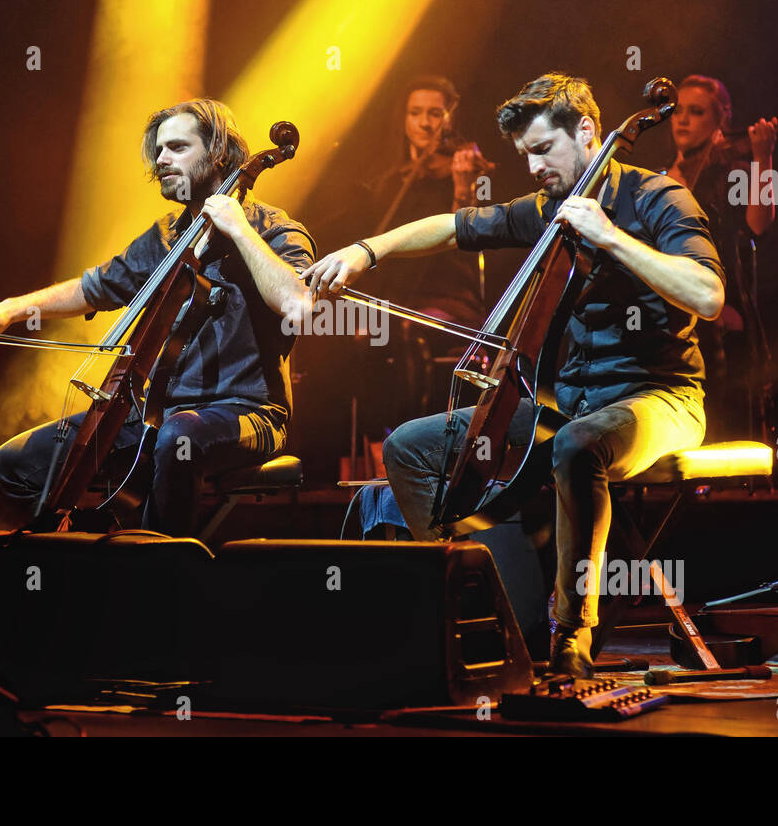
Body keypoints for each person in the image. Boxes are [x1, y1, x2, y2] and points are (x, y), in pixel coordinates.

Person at [304, 72, 725, 677]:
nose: (532, 167)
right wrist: (367, 250)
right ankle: (486, 606)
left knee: (579, 446)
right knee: (408, 447)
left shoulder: (658, 197)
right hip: (571, 402)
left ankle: (569, 634)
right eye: (524, 154)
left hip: (661, 400)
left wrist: (610, 236)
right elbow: (455, 227)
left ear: (587, 132)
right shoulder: (548, 209)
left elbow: (707, 295)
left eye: (543, 150)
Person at [0, 98, 314, 536]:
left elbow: (297, 304)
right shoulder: (167, 234)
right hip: (154, 412)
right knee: (15, 464)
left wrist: (238, 229)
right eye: (159, 149)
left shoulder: (273, 229)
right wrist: (7, 310)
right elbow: (94, 288)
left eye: (177, 148)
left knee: (179, 437)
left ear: (219, 153)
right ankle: (78, 558)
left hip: (248, 413)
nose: (160, 159)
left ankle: (160, 569)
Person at [356, 76, 494, 424]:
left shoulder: (466, 171)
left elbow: (469, 237)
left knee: (401, 333)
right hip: (396, 298)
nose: (425, 122)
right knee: (342, 334)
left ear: (450, 119)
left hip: (449, 298)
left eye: (436, 113)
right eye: (415, 113)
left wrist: (463, 188)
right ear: (403, 120)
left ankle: (409, 436)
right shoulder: (391, 182)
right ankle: (374, 449)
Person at [666, 75, 776, 440]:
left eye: (695, 112)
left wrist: (763, 157)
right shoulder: (658, 180)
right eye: (678, 110)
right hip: (669, 324)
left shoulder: (733, 174)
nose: (682, 119)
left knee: (723, 423)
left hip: (719, 322)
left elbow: (759, 223)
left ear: (720, 123)